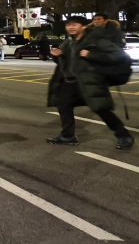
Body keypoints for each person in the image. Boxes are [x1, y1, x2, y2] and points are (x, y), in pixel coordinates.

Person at [45, 16, 134, 148]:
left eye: (74, 24)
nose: (71, 27)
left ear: (84, 26)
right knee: (63, 104)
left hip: (90, 81)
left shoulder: (96, 40)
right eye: (68, 25)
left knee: (101, 109)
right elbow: (66, 62)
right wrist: (57, 56)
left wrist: (91, 55)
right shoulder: (69, 42)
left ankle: (124, 135)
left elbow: (120, 56)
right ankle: (68, 136)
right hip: (71, 82)